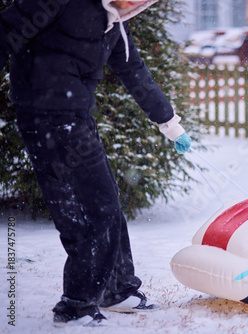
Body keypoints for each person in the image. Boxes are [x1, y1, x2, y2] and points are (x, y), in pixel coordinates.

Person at [0, 0, 191, 326]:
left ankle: (116, 289)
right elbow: (5, 32)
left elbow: (134, 71)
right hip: (43, 115)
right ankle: (76, 306)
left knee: (106, 202)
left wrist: (170, 124)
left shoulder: (116, 22)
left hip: (77, 117)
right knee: (92, 208)